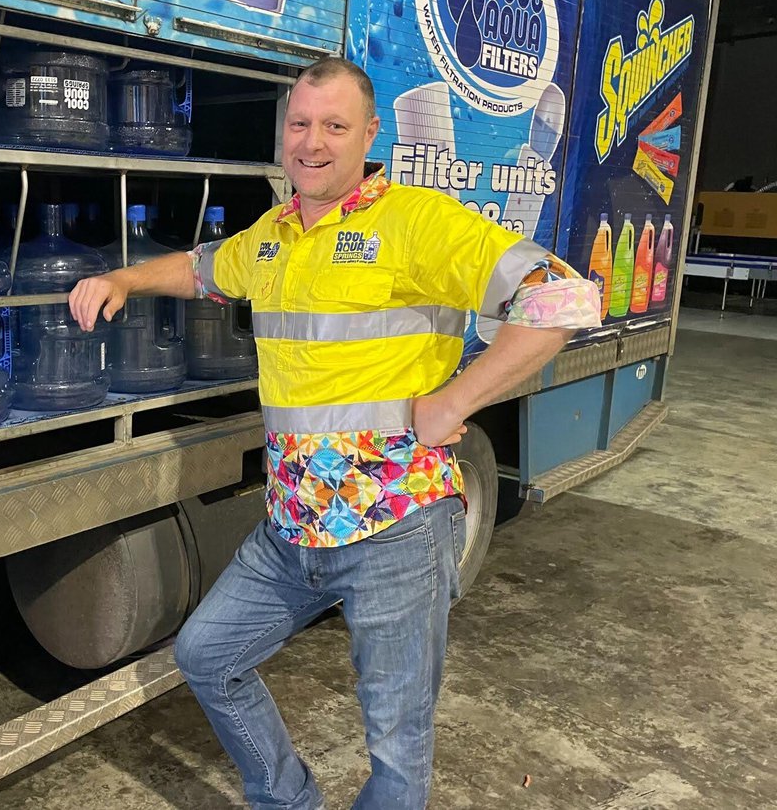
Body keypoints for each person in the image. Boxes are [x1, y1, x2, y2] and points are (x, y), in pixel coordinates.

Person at [69, 57, 601, 810]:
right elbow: (201, 269)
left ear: (370, 133)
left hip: (395, 531)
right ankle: (288, 800)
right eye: (299, 123)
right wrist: (124, 280)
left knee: (396, 747)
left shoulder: (415, 222)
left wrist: (455, 402)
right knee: (208, 655)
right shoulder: (275, 236)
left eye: (334, 126)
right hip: (291, 531)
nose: (312, 143)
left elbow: (565, 297)